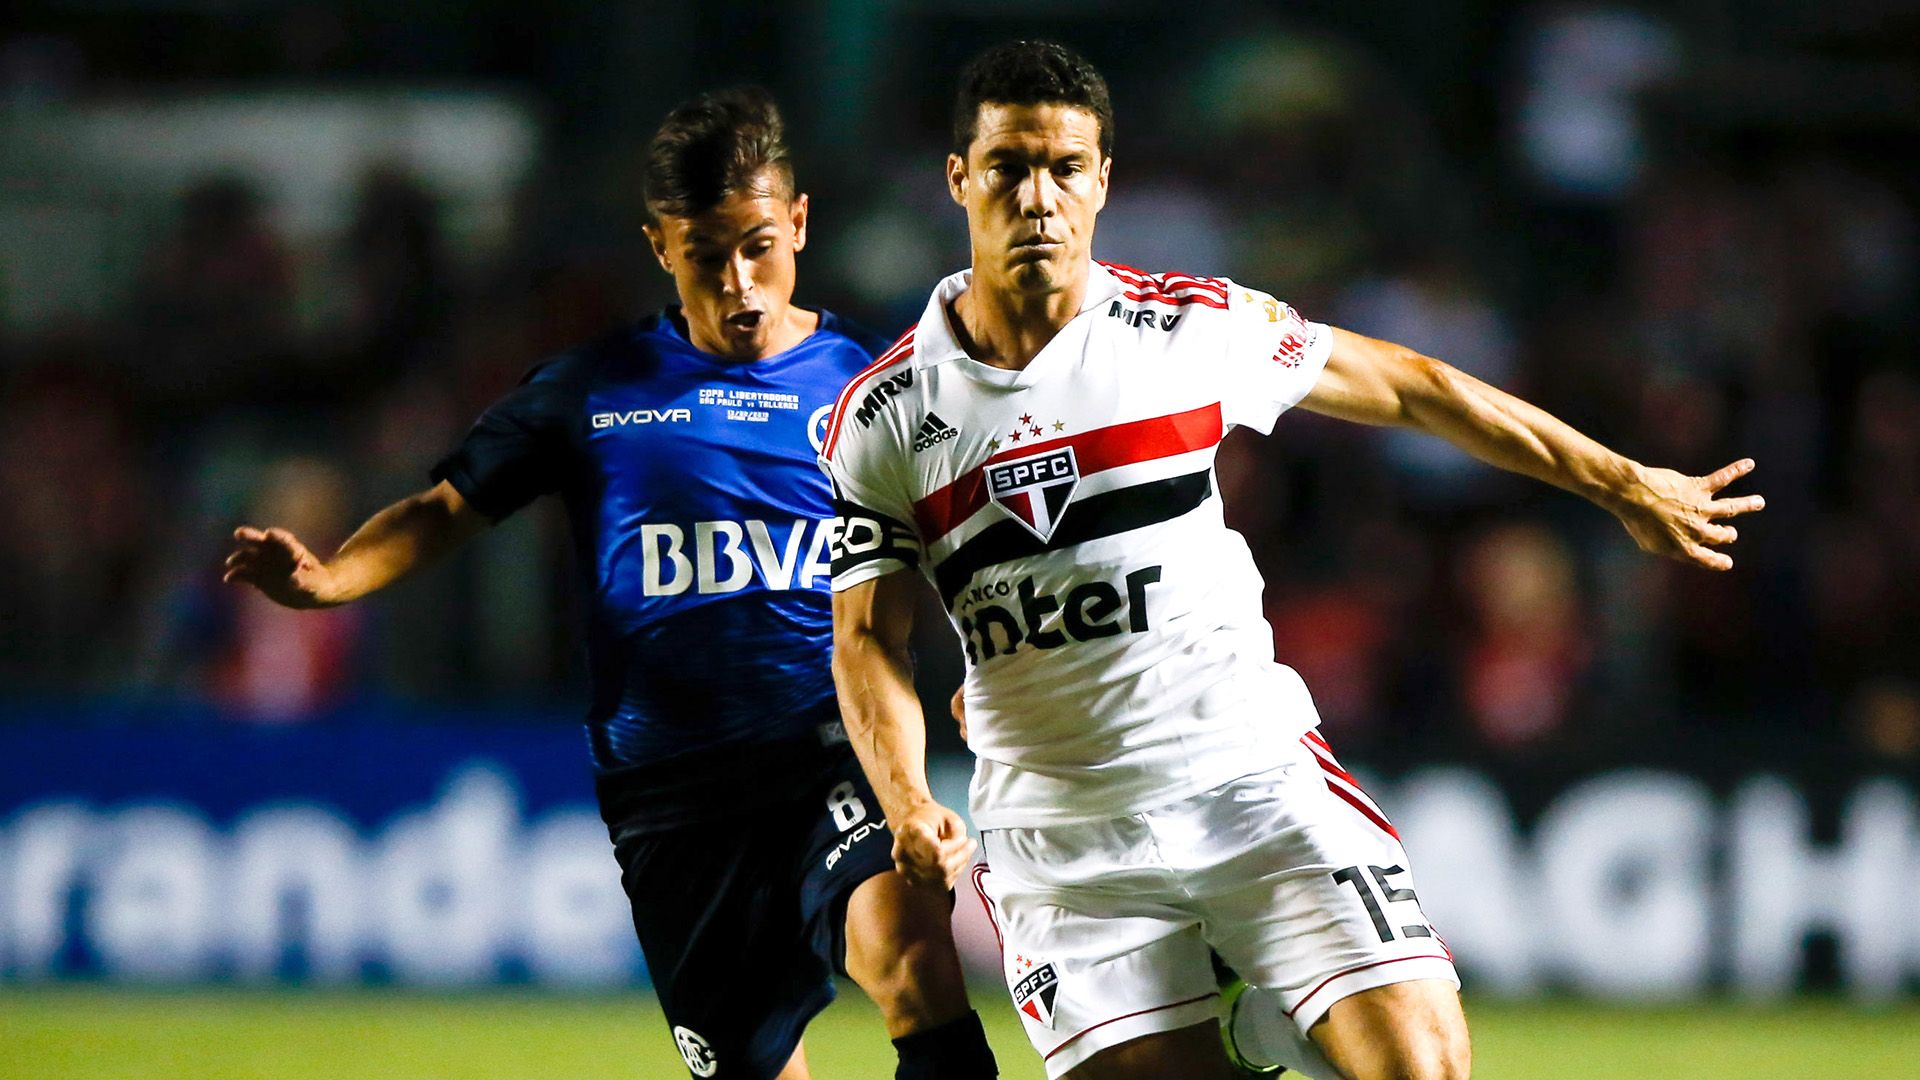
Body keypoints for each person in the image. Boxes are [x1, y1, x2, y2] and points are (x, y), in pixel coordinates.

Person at [820, 41, 1764, 1080]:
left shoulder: (1183, 328)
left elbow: (1408, 386)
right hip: (1063, 843)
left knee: (1424, 1070)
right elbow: (868, 639)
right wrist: (908, 800)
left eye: (1065, 167)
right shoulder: (883, 415)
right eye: (1008, 166)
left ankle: (1269, 1011)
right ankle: (1255, 1026)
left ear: (1103, 182)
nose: (1038, 196)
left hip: (1248, 783)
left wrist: (1618, 481)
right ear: (959, 179)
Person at [225, 88, 998, 1080]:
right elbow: (446, 507)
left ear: (799, 223)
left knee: (914, 961)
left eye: (759, 245)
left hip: (826, 750)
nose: (739, 281)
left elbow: (965, 540)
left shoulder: (874, 380)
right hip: (671, 795)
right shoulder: (594, 389)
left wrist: (990, 667)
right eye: (706, 253)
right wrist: (333, 578)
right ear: (660, 245)